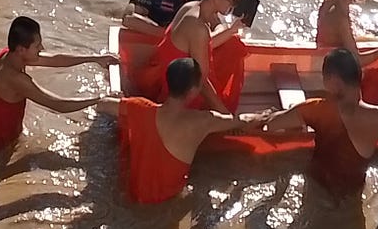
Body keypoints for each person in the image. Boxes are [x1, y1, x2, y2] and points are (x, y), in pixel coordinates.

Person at [97, 57, 264, 203]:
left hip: (132, 193)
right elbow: (240, 121)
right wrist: (265, 115)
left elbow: (103, 104)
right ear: (193, 90)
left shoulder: (139, 107)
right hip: (168, 202)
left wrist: (121, 99)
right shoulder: (202, 121)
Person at [264, 48, 378, 199]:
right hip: (351, 198)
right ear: (359, 76)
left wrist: (273, 113)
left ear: (333, 81)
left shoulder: (315, 109)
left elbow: (272, 124)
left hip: (316, 192)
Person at [0, 16, 119, 156]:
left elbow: (55, 59)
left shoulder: (8, 55)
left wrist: (95, 59)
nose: (42, 48)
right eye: (37, 46)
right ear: (21, 49)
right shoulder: (17, 79)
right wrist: (99, 100)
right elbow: (57, 104)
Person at [133, 0, 248, 115]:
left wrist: (232, 30)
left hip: (163, 73)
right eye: (231, 0)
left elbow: (211, 36)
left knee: (232, 44)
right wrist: (225, 115)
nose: (233, 5)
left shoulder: (191, 6)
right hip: (178, 89)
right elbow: (202, 82)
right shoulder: (198, 28)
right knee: (233, 49)